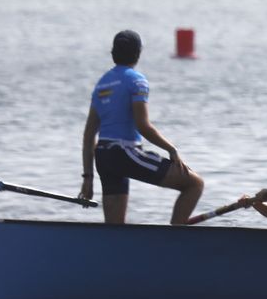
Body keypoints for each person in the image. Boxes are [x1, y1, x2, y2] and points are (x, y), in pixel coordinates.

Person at [79, 30, 205, 225]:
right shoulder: (136, 80)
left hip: (103, 157)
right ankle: (176, 240)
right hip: (124, 152)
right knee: (194, 184)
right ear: (138, 53)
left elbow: (88, 137)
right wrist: (171, 149)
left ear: (113, 53)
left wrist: (88, 177)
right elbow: (143, 125)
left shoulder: (101, 85)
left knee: (115, 230)